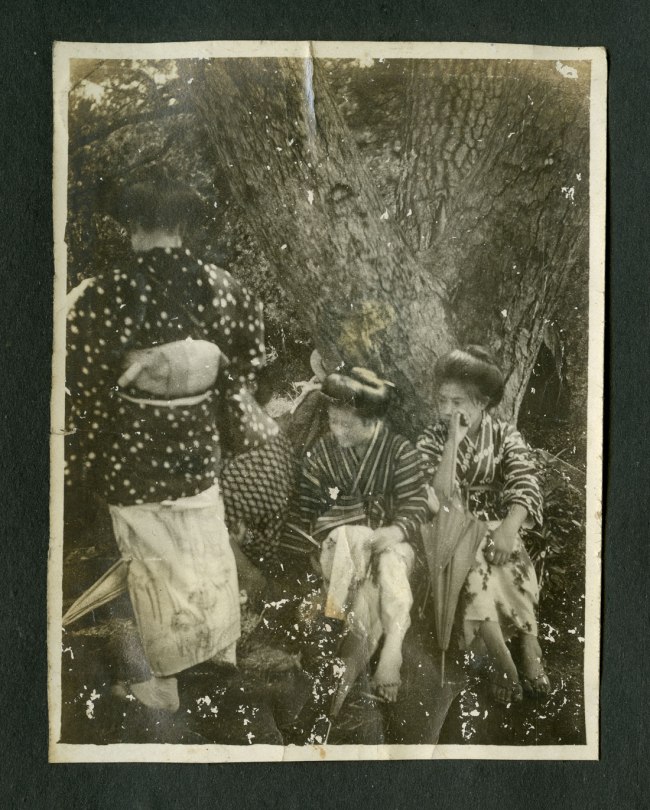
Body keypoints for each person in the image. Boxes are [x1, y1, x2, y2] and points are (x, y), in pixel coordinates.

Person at [65, 175, 267, 712]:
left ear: (132, 227)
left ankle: (163, 681)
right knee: (204, 541)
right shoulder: (226, 287)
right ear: (182, 227)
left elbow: (84, 380)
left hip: (133, 453)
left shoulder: (102, 293)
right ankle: (218, 653)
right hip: (198, 447)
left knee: (148, 556)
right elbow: (246, 362)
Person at [417, 345, 552, 705]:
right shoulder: (433, 437)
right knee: (474, 562)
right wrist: (452, 441)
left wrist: (509, 529)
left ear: (481, 402)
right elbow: (440, 495)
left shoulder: (504, 434)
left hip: (497, 524)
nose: (447, 410)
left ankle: (527, 641)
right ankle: (500, 656)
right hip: (453, 529)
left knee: (511, 561)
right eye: (442, 401)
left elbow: (525, 481)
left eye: (457, 402)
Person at [287, 367, 429, 704]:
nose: (335, 430)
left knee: (391, 562)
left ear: (372, 422)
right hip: (337, 555)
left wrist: (395, 530)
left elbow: (417, 502)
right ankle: (337, 627)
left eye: (345, 423)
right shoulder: (323, 452)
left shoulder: (399, 451)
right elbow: (304, 508)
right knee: (354, 535)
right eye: (333, 421)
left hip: (392, 549)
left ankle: (391, 648)